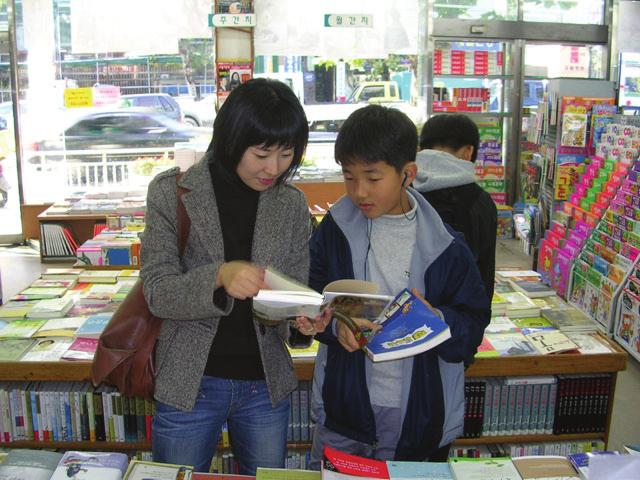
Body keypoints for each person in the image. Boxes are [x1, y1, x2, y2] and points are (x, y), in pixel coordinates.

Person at [140, 78, 326, 474]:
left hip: (264, 385)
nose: (273, 168)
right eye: (262, 153)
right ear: (231, 138)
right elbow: (157, 292)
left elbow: (289, 294)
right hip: (191, 381)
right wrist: (219, 276)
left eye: (286, 155)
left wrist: (302, 320)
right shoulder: (172, 193)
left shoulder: (291, 205)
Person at [305, 105, 490, 467]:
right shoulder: (335, 229)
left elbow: (473, 324)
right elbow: (313, 300)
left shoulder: (446, 246)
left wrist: (437, 319)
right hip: (345, 409)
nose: (359, 192)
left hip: (415, 416)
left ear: (408, 174)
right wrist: (335, 325)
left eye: (373, 178)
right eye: (349, 177)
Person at [415, 113, 497, 301]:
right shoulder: (480, 201)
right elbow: (484, 273)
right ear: (468, 152)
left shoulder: (402, 188)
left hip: (405, 308)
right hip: (457, 315)